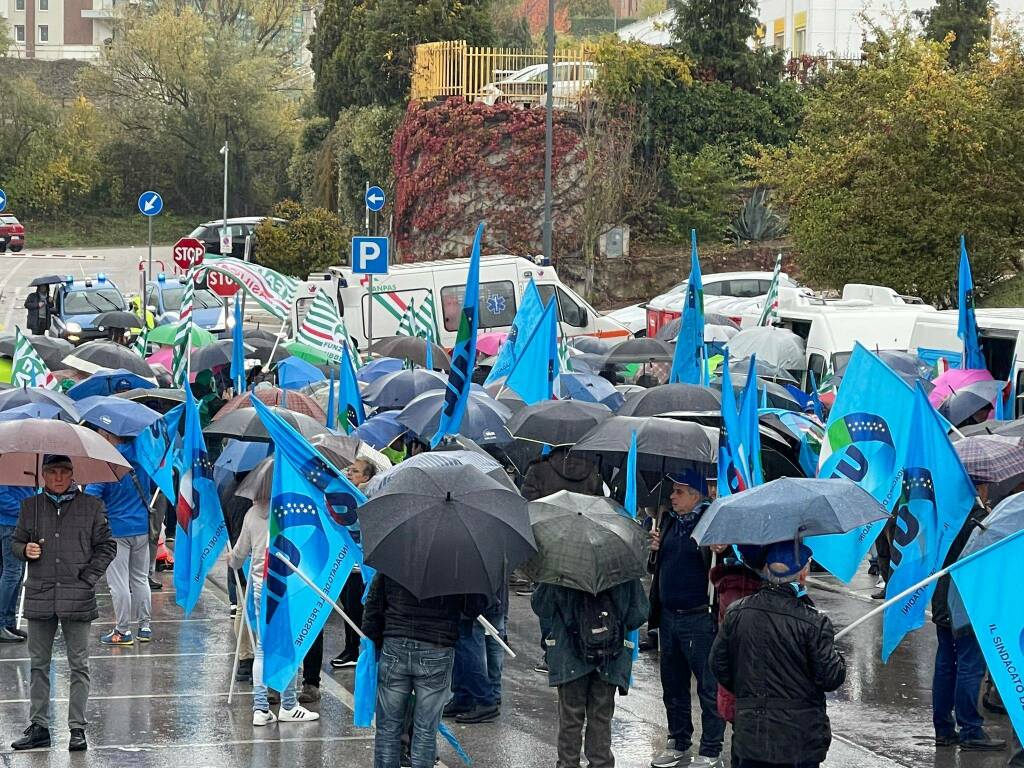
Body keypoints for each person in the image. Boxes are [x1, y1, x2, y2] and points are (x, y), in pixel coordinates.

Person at [10, 455, 117, 752]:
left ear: (73, 474)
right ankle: (39, 726)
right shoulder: (29, 508)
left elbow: (108, 546)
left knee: (79, 665)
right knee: (38, 665)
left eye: (64, 472)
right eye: (52, 472)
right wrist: (25, 549)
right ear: (43, 475)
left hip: (78, 596)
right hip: (40, 594)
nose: (58, 477)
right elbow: (15, 543)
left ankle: (77, 728)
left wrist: (88, 578)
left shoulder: (91, 506)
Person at [710, 541, 846, 768]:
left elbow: (718, 664)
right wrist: (836, 656)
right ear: (802, 574)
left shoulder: (737, 612)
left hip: (750, 736)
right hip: (798, 741)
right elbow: (831, 676)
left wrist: (748, 692)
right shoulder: (813, 621)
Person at [362, 572, 487, 768]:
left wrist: (378, 640)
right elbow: (474, 608)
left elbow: (373, 605)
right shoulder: (458, 562)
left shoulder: (395, 556)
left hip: (396, 642)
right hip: (437, 646)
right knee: (426, 730)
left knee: (388, 728)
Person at [648, 471, 725, 768]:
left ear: (695, 494)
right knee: (673, 684)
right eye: (672, 491)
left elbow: (726, 567)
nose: (672, 496)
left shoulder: (712, 522)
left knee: (708, 687)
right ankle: (678, 741)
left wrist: (723, 549)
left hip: (699, 617)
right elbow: (657, 567)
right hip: (669, 617)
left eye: (678, 491)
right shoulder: (668, 521)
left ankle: (711, 749)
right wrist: (653, 549)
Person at [531, 577, 649, 768]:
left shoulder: (562, 567)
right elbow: (639, 614)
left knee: (570, 719)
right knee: (601, 719)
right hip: (609, 656)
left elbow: (542, 607)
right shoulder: (621, 568)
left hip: (569, 656)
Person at [229, 494, 320, 726]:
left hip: (262, 590)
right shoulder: (289, 511)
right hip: (288, 591)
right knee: (289, 648)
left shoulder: (251, 515)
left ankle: (261, 709)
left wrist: (234, 558)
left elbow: (238, 557)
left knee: (262, 648)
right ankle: (288, 705)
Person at [931, 483, 1005, 751]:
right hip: (966, 605)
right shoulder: (980, 520)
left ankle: (943, 728)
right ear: (981, 487)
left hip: (942, 600)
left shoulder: (943, 513)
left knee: (946, 664)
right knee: (969, 666)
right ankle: (970, 729)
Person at [85, 429, 153, 647]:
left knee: (118, 583)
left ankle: (122, 630)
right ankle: (145, 627)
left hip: (116, 530)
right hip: (141, 527)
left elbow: (91, 496)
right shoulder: (143, 458)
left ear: (108, 434)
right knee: (140, 579)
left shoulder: (108, 461)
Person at [331, 459, 378, 670]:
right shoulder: (344, 496)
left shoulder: (368, 498)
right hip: (346, 564)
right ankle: (350, 648)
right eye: (349, 470)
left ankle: (355, 649)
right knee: (347, 607)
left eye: (356, 472)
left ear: (366, 478)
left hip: (362, 566)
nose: (350, 474)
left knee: (356, 608)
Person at [0, 485, 37, 643]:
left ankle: (8, 622)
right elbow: (2, 494)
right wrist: (24, 511)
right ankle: (2, 623)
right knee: (12, 573)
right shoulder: (7, 464)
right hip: (10, 523)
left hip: (16, 523)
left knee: (16, 573)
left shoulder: (20, 463)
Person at [521, 446, 602, 502]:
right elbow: (597, 505)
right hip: (581, 525)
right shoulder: (593, 472)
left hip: (542, 523)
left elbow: (527, 504)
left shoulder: (538, 468)